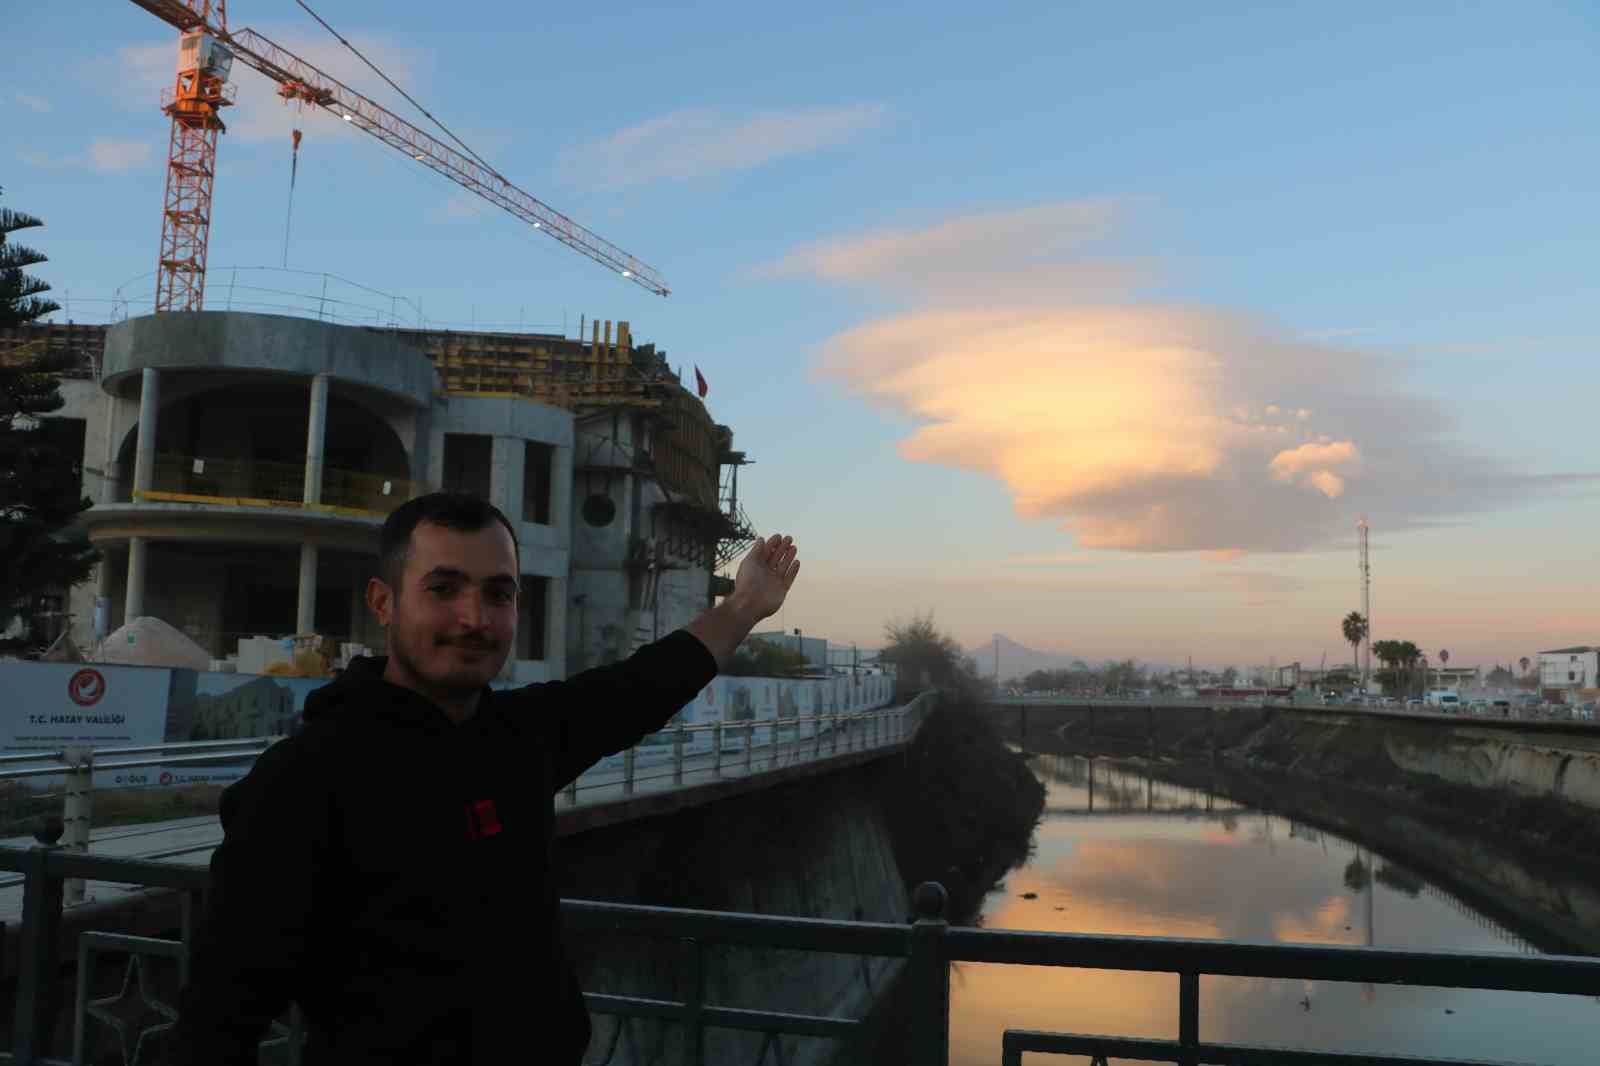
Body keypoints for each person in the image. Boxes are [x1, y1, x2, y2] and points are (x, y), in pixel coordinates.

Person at [170, 492, 800, 1065]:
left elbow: (638, 688)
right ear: (383, 602)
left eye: (499, 593)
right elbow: (217, 1023)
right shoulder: (304, 781)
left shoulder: (515, 737)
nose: (475, 617)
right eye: (444, 588)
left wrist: (743, 606)